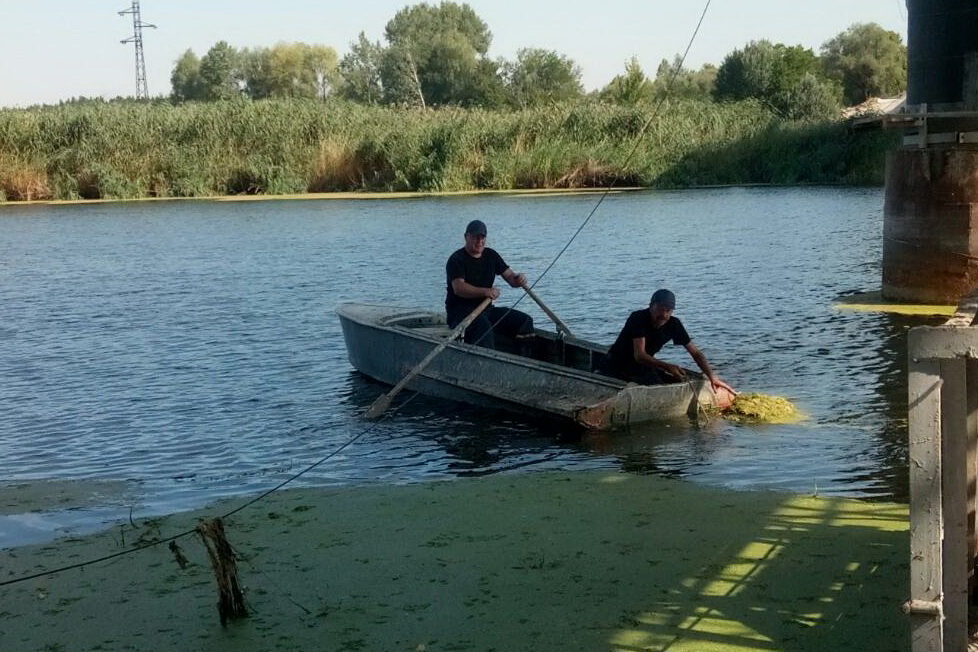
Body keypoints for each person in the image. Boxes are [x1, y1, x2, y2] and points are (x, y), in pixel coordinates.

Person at [600, 289, 735, 396]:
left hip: (643, 367)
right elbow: (639, 355)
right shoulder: (638, 318)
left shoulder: (674, 324)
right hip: (618, 364)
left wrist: (711, 376)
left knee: (668, 383)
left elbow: (695, 353)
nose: (664, 314)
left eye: (668, 310)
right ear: (651, 306)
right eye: (660, 309)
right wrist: (668, 366)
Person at [445, 219, 534, 350]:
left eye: (482, 237)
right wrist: (486, 292)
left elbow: (510, 277)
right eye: (475, 237)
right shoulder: (456, 259)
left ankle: (523, 362)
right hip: (459, 313)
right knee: (483, 327)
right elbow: (459, 288)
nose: (479, 241)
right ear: (466, 237)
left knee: (524, 321)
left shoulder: (491, 255)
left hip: (486, 311)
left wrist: (519, 279)